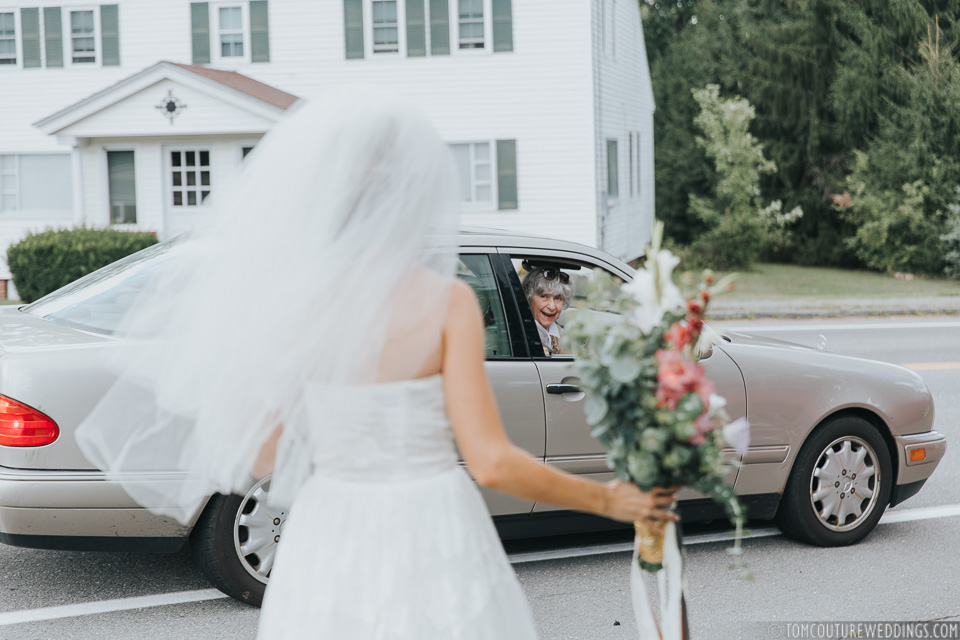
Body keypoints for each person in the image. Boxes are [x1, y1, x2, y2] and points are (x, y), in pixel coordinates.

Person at [76, 89, 676, 639]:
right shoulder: (446, 302)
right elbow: (492, 461)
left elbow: (263, 454)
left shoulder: (294, 305)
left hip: (329, 528)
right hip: (432, 523)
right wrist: (611, 501)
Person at [522, 263, 572, 356]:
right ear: (528, 298)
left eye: (557, 298)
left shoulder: (558, 332)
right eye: (544, 296)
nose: (552, 306)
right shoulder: (521, 335)